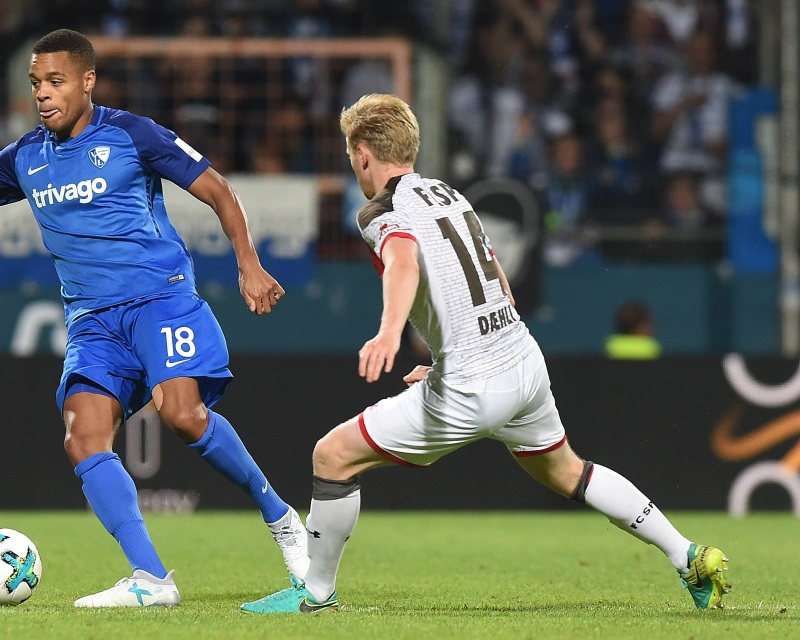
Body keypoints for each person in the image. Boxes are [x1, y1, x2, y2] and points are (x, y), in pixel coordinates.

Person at [0, 29, 307, 608]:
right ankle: (151, 578)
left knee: (183, 415)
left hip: (159, 300)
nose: (43, 94)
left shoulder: (131, 134)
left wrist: (248, 262)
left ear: (87, 81)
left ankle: (283, 518)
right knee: (82, 435)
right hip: (93, 323)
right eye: (36, 83)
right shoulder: (23, 158)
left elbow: (217, 189)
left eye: (56, 81)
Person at [241, 94, 730, 614]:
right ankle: (688, 556)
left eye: (350, 155)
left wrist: (388, 334)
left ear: (363, 154)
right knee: (569, 472)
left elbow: (403, 264)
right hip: (519, 357)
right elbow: (498, 278)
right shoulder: (449, 193)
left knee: (331, 456)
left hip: (473, 383)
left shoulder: (380, 211)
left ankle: (314, 593)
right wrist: (449, 356)